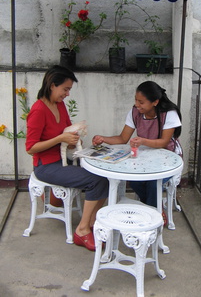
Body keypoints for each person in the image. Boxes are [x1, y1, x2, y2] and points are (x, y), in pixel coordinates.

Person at [25, 65, 109, 251]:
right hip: (46, 166)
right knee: (96, 180)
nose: (67, 94)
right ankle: (82, 230)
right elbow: (31, 148)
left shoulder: (59, 105)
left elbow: (67, 132)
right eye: (65, 89)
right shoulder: (38, 110)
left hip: (63, 159)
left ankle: (92, 222)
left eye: (69, 89)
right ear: (52, 85)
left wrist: (72, 140)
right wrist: (59, 139)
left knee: (103, 172)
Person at [92, 80, 182, 211]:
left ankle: (152, 213)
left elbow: (164, 142)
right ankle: (153, 209)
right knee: (134, 181)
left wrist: (142, 141)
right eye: (136, 100)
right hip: (146, 156)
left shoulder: (169, 113)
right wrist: (103, 138)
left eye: (141, 102)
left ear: (155, 102)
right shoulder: (135, 113)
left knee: (152, 183)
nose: (137, 105)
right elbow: (123, 138)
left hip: (168, 158)